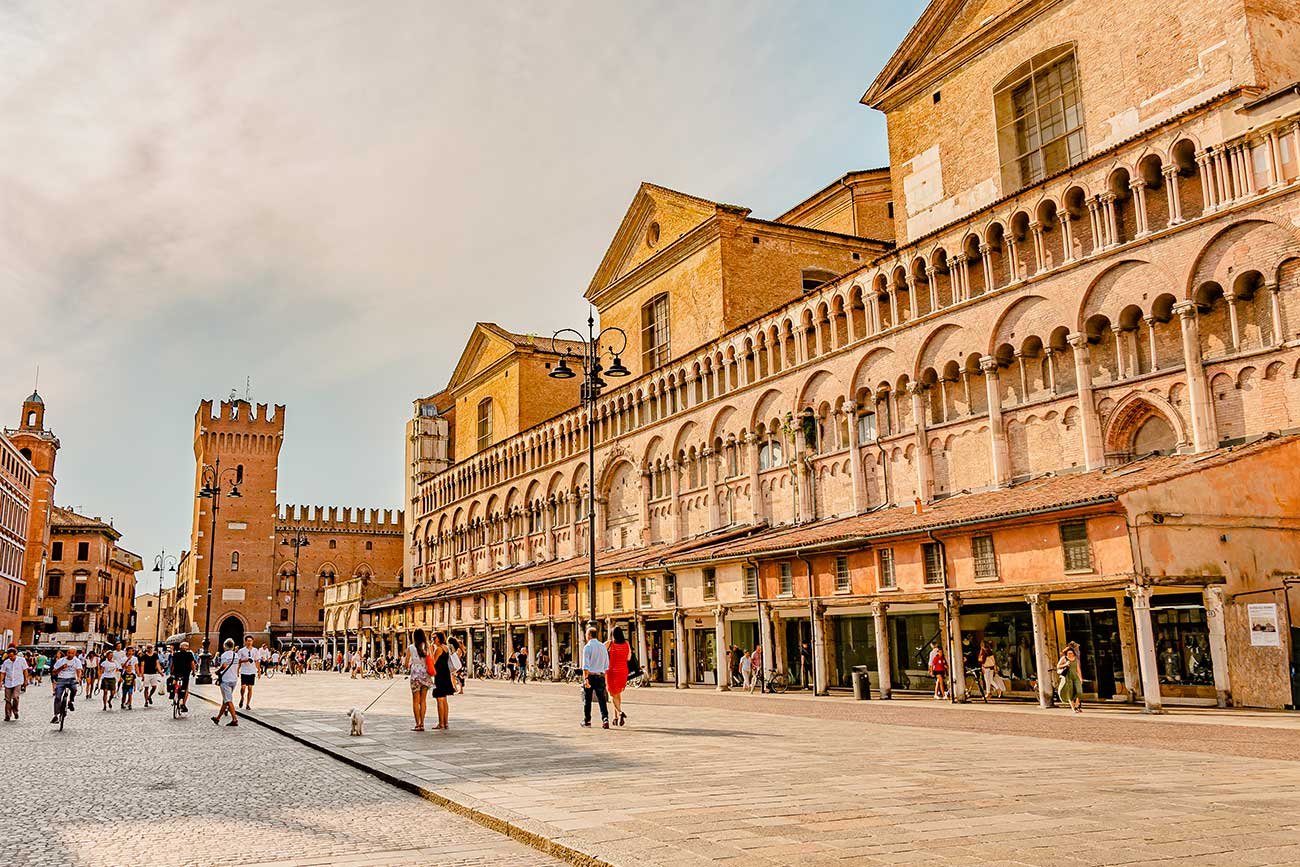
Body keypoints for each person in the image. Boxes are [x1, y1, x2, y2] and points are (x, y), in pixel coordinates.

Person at [580, 626, 610, 729]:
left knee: (587, 699)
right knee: (602, 699)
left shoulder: (587, 647)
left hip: (590, 676)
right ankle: (605, 718)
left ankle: (587, 720)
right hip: (600, 676)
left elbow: (585, 666)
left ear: (589, 635)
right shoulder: (603, 647)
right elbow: (606, 665)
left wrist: (586, 679)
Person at [605, 626, 631, 727]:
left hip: (612, 671)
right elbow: (629, 657)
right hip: (623, 671)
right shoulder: (627, 643)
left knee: (611, 694)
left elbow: (600, 650)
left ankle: (620, 712)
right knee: (617, 694)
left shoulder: (610, 643)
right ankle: (615, 718)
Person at [407, 628, 431, 732]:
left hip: (415, 675)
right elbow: (431, 660)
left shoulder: (410, 648)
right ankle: (422, 723)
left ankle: (417, 724)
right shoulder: (427, 647)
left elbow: (405, 663)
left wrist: (411, 664)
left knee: (415, 701)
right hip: (425, 675)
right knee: (423, 700)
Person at [212, 638, 240, 727]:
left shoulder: (224, 655)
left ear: (225, 646)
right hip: (234, 679)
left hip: (226, 679)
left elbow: (224, 665)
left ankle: (234, 719)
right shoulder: (236, 655)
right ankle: (218, 718)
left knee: (228, 700)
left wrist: (217, 671)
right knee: (226, 700)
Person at [429, 632, 453, 730]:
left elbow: (433, 662)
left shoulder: (438, 649)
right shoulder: (446, 648)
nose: (432, 639)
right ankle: (445, 722)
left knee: (440, 700)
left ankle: (441, 723)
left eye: (434, 638)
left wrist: (431, 650)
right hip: (446, 674)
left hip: (440, 675)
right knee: (444, 700)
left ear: (439, 638)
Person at [50, 647, 80, 722]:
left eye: (72, 653)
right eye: (69, 652)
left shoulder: (77, 661)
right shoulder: (61, 661)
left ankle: (70, 701)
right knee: (58, 696)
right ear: (67, 653)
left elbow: (79, 670)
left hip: (71, 679)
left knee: (74, 689)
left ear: (75, 654)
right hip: (61, 679)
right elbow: (53, 672)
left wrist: (78, 678)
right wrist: (61, 668)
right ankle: (56, 715)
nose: (70, 654)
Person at [2, 646, 30, 721]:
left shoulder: (22, 660)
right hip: (8, 682)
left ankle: (15, 711)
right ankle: (7, 715)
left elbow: (25, 670)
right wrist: (0, 682)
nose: (10, 657)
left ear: (15, 654)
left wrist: (26, 680)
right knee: (7, 700)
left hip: (18, 681)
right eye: (9, 656)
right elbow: (2, 673)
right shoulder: (6, 662)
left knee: (15, 697)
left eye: (12, 656)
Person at [170, 641, 196, 713]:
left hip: (177, 673)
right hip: (185, 673)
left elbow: (172, 664)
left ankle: (173, 693)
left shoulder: (175, 654)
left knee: (175, 683)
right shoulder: (189, 654)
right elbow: (192, 664)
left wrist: (171, 672)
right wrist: (194, 671)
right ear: (187, 647)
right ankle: (183, 703)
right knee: (185, 688)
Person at [1057, 644, 1083, 714]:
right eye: (1068, 653)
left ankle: (1077, 704)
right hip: (1068, 677)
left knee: (1079, 691)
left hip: (1075, 676)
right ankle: (1073, 708)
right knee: (1070, 693)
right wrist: (1065, 664)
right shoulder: (1064, 658)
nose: (1070, 655)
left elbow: (1078, 669)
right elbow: (1058, 666)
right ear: (1066, 654)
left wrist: (1081, 678)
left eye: (1071, 653)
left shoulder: (1075, 659)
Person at [236, 637, 259, 710]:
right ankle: (242, 697)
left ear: (252, 641)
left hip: (252, 671)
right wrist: (245, 661)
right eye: (248, 641)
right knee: (243, 687)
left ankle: (248, 704)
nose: (249, 642)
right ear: (245, 641)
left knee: (250, 687)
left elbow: (257, 661)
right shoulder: (241, 651)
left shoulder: (255, 650)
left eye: (251, 641)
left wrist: (259, 671)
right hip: (244, 671)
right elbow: (238, 661)